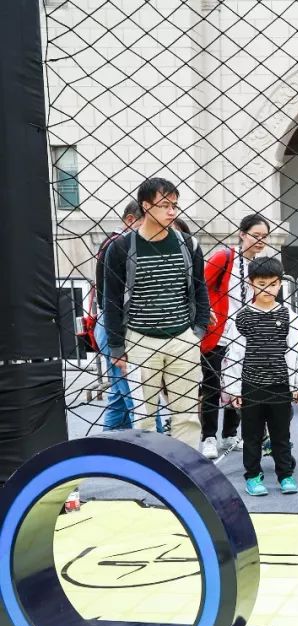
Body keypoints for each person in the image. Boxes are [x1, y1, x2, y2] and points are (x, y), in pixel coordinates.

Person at [101, 177, 210, 448]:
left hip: (182, 338)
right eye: (165, 205)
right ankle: (151, 469)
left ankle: (186, 469)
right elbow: (111, 301)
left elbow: (199, 289)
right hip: (139, 341)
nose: (172, 211)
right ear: (146, 206)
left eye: (175, 205)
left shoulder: (189, 244)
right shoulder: (121, 248)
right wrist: (117, 348)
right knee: (143, 418)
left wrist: (197, 332)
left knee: (187, 416)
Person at [222, 257, 298, 495]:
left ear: (280, 284)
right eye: (261, 284)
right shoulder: (242, 317)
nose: (267, 289)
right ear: (251, 283)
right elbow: (234, 355)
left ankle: (285, 475)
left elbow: (296, 352)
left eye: (273, 284)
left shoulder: (289, 316)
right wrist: (233, 389)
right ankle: (253, 477)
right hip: (251, 387)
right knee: (252, 436)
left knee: (281, 435)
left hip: (280, 386)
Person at [198, 213, 270, 459]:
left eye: (264, 237)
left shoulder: (260, 265)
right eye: (255, 235)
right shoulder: (224, 257)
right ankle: (208, 436)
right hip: (218, 332)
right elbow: (200, 284)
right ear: (242, 234)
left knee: (238, 384)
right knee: (212, 385)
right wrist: (205, 310)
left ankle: (230, 433)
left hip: (245, 334)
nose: (260, 241)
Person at [92, 199, 142, 431]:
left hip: (110, 325)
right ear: (131, 220)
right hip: (115, 327)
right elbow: (111, 298)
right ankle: (152, 444)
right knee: (136, 398)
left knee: (120, 397)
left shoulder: (114, 243)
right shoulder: (118, 245)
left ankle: (106, 443)